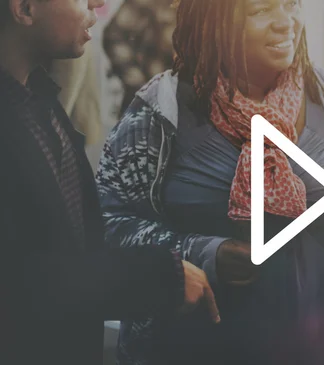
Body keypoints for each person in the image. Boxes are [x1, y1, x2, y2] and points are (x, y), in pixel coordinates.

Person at [95, 0, 324, 364]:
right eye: (261, 11)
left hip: (317, 348)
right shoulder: (160, 113)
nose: (284, 23)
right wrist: (201, 253)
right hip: (193, 349)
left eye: (290, 4)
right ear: (213, 21)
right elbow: (107, 225)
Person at [0, 0, 220, 363]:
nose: (97, 3)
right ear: (24, 9)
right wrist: (154, 277)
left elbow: (68, 245)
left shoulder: (41, 103)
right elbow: (23, 282)